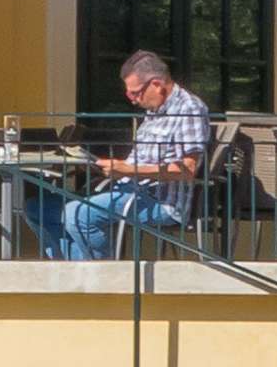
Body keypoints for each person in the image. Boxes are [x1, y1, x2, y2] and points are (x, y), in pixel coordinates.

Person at [49, 50, 210, 260]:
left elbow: (187, 170)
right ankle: (76, 271)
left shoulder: (189, 109)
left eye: (135, 93)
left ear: (157, 84)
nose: (133, 100)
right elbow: (140, 161)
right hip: (126, 190)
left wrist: (127, 170)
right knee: (40, 208)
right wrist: (103, 166)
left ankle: (104, 276)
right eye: (129, 95)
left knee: (77, 215)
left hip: (161, 202)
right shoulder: (154, 110)